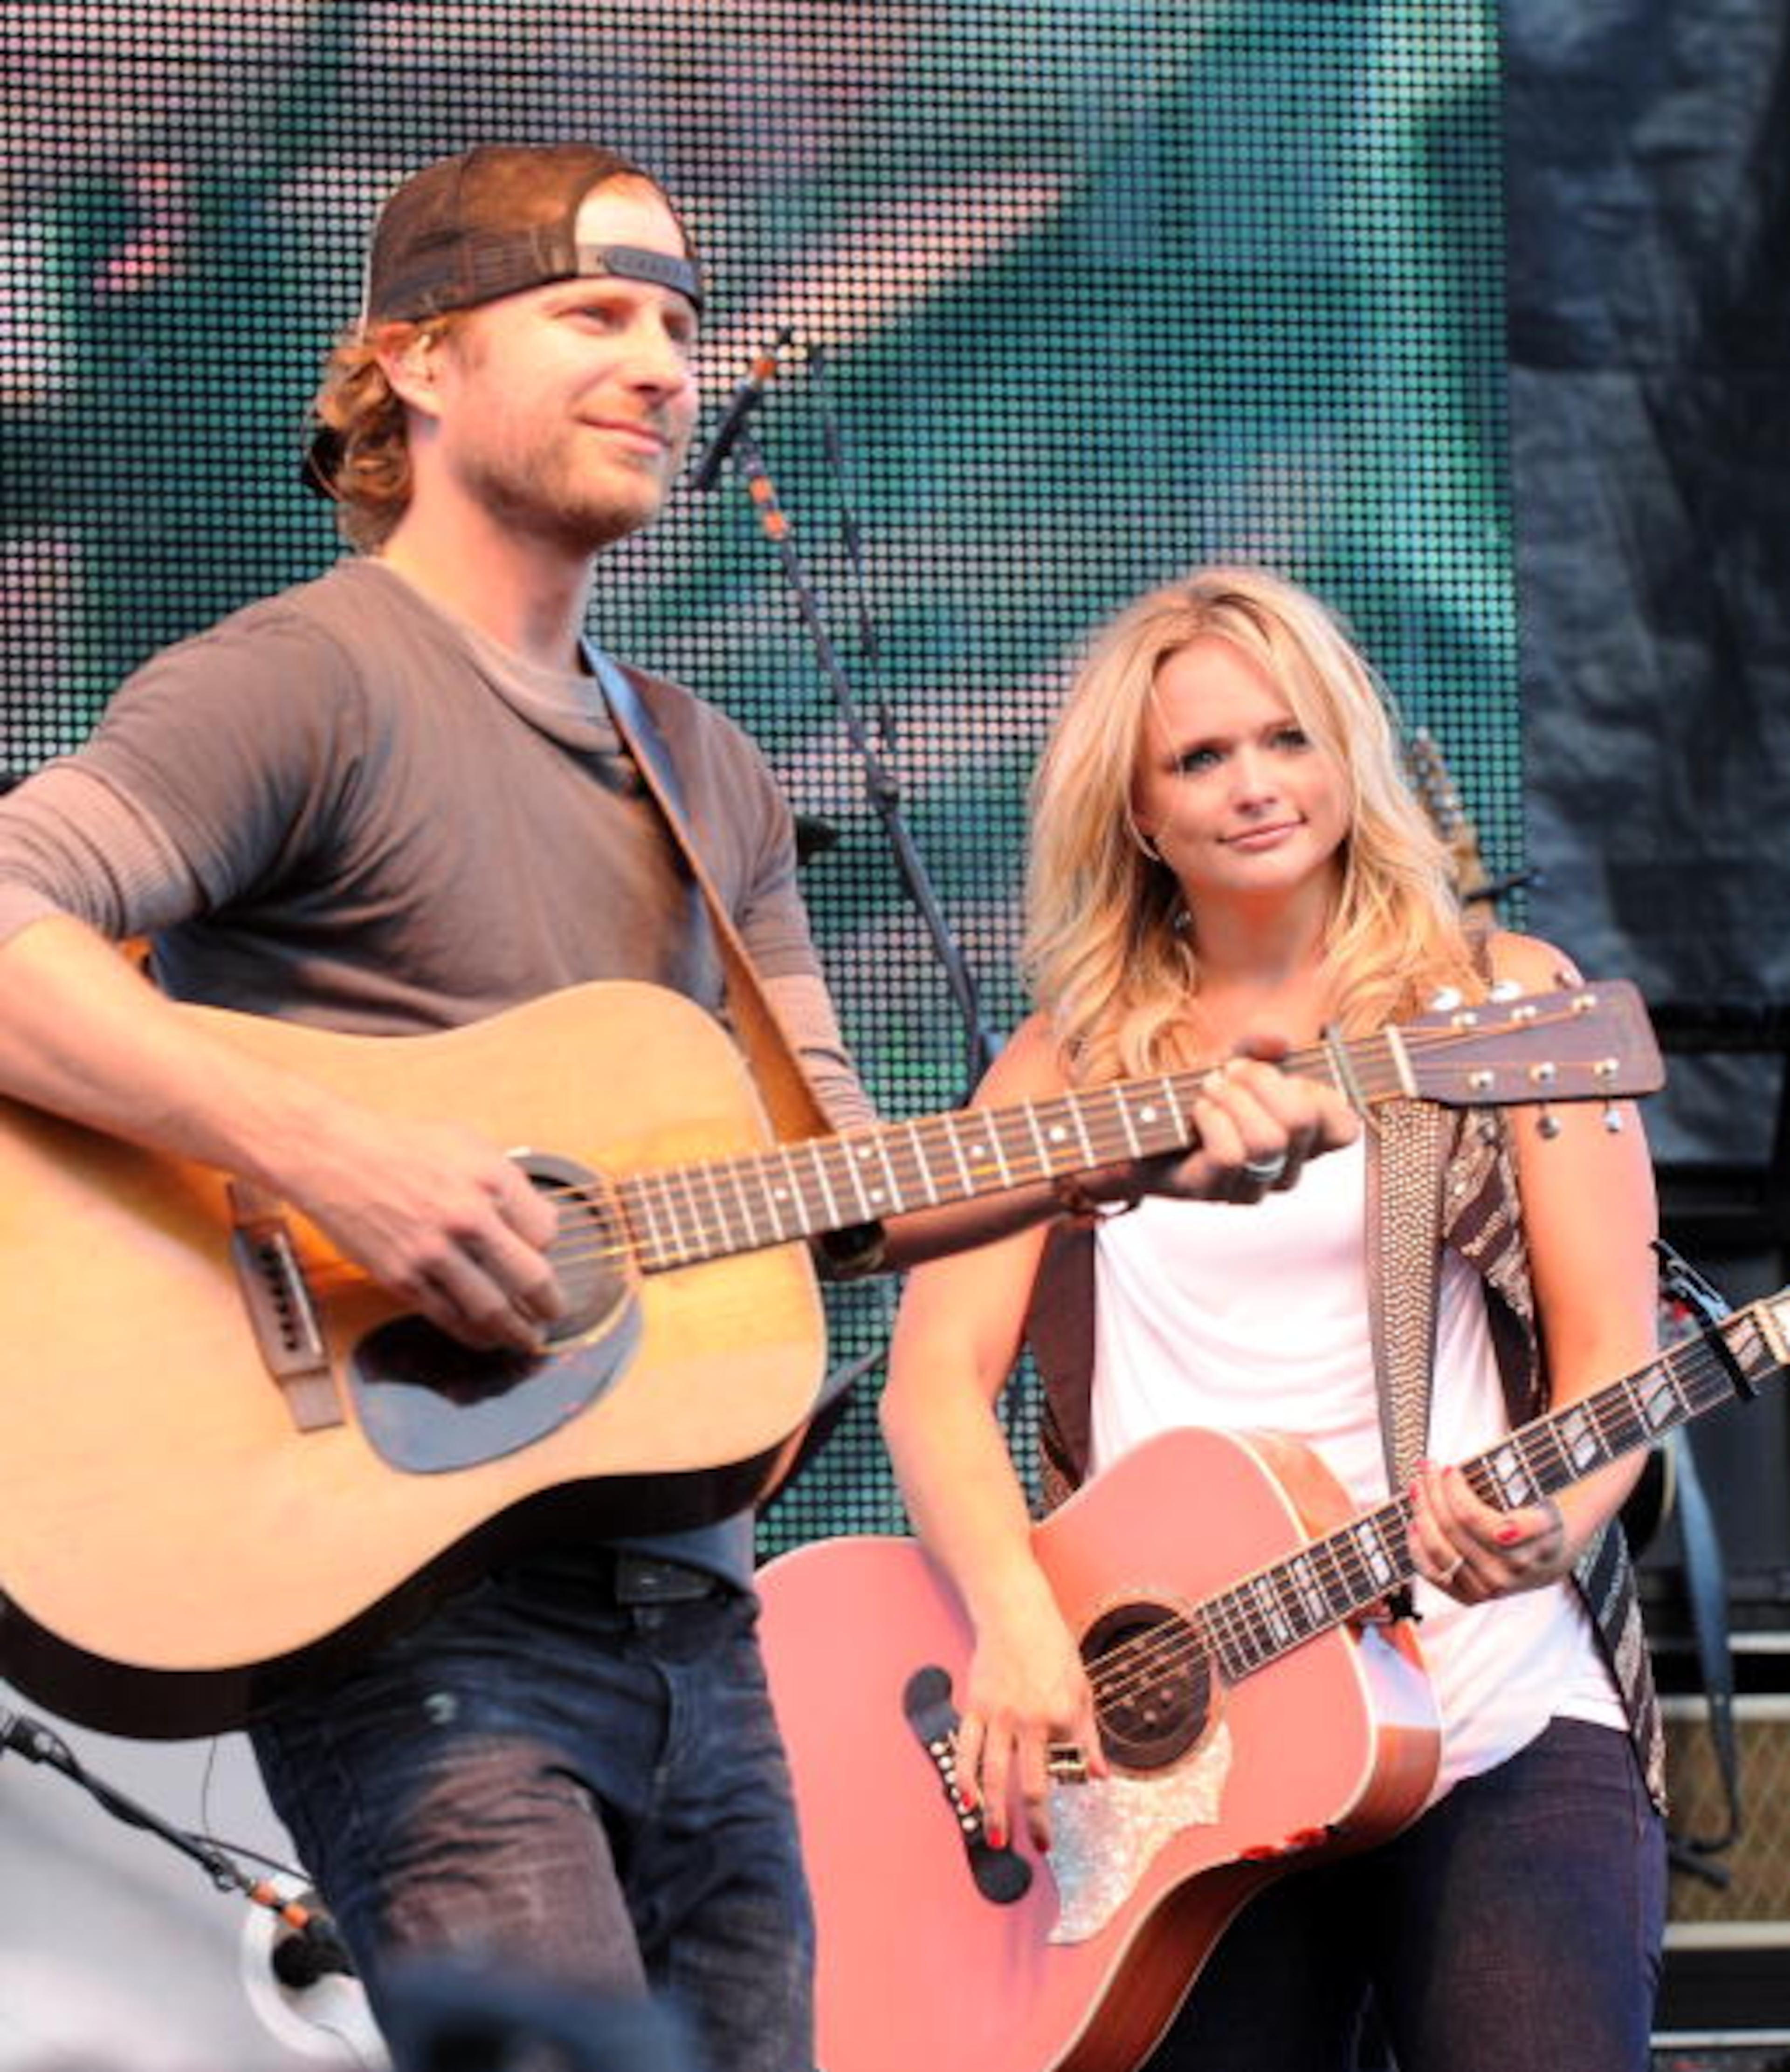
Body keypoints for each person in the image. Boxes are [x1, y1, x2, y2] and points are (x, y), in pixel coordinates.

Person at [0, 152, 1355, 2072]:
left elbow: (838, 1190)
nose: (663, 361)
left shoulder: (700, 763)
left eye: (680, 323)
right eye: (597, 312)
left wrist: (1134, 1148)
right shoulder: (303, 683)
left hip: (698, 1624)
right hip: (415, 1614)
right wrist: (330, 1154)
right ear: (415, 366)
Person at [879, 564, 1667, 2072]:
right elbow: (935, 1381)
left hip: (1490, 1711)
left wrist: (1556, 1524)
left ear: (1347, 757)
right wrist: (1017, 1627)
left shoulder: (1499, 1009)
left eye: (1289, 738)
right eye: (1201, 757)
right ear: (1141, 814)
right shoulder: (1064, 1068)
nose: (1256, 785)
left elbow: (1612, 1363)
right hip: (1186, 1759)